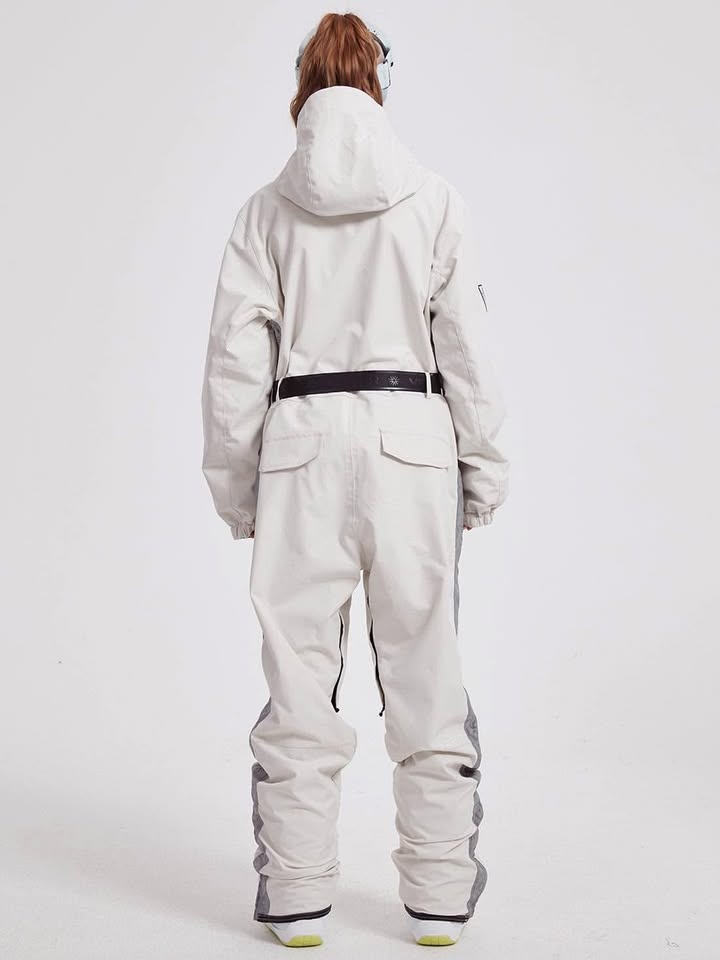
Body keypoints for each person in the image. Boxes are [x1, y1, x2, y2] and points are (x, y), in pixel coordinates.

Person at [200, 11, 510, 949]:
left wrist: (238, 492)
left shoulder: (265, 211)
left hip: (300, 445)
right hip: (414, 443)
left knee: (300, 679)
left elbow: (234, 366)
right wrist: (483, 467)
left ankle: (297, 900)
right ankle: (439, 899)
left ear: (301, 85)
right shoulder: (434, 199)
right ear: (380, 81)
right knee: (427, 668)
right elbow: (467, 348)